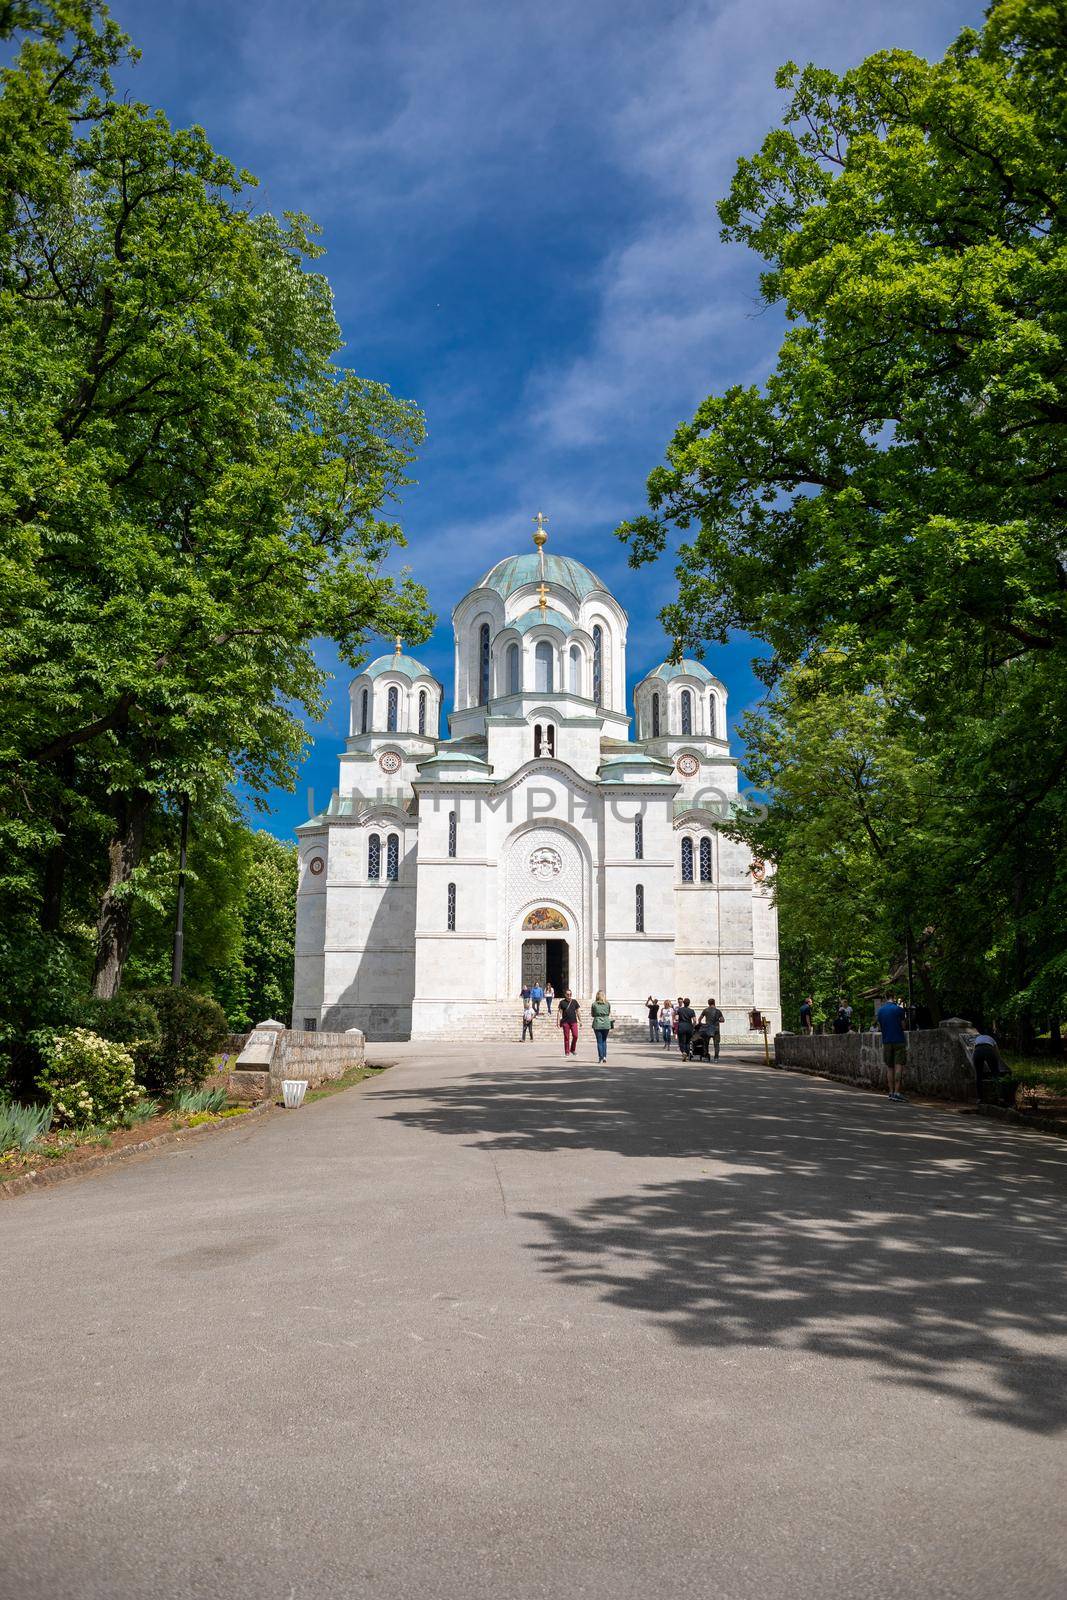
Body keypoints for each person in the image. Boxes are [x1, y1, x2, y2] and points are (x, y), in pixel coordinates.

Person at [875, 994, 908, 1102]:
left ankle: (890, 1092)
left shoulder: (880, 1011)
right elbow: (903, 1026)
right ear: (893, 998)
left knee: (889, 1067)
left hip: (887, 1041)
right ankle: (897, 1093)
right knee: (898, 1066)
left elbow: (880, 1027)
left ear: (884, 998)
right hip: (899, 1040)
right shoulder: (899, 1010)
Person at [557, 989, 581, 1056]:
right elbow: (559, 1012)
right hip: (565, 1022)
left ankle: (572, 1049)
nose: (569, 996)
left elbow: (578, 1012)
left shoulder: (574, 1002)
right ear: (565, 995)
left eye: (570, 994)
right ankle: (567, 1052)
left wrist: (580, 1020)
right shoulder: (562, 1002)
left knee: (575, 1036)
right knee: (566, 1037)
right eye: (568, 994)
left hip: (574, 1022)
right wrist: (558, 1022)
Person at [591, 992, 612, 1063]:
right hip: (606, 1023)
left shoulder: (594, 1004)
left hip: (597, 1023)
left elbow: (593, 1014)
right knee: (604, 1040)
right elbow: (609, 1013)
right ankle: (605, 1057)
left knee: (599, 1041)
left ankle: (600, 1057)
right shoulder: (608, 1004)